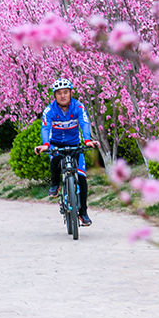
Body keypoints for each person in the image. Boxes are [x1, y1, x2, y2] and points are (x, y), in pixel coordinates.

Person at [34, 78, 99, 227]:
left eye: (65, 92)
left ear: (70, 93)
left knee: (82, 179)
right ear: (54, 95)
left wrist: (88, 140)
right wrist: (45, 145)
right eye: (59, 93)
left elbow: (84, 122)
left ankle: (83, 213)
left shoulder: (79, 107)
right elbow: (45, 127)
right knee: (55, 160)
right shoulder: (49, 110)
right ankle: (55, 184)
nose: (62, 96)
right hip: (56, 144)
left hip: (75, 144)